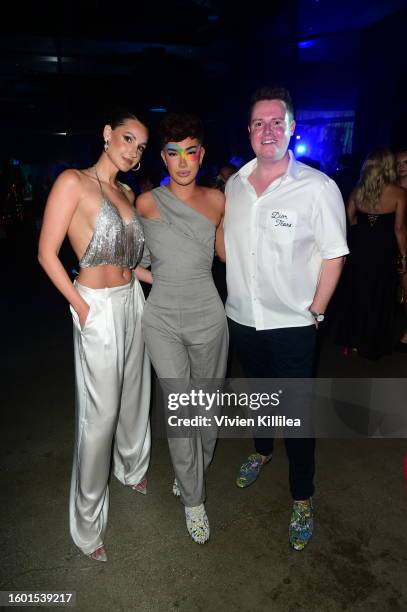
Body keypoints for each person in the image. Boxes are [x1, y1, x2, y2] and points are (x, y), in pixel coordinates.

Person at [223, 86, 348, 551]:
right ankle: (260, 451)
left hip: (294, 325)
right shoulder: (234, 186)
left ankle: (302, 496)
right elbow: (226, 247)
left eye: (277, 121)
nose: (268, 130)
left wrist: (316, 310)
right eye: (259, 123)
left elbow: (335, 256)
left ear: (292, 127)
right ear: (249, 131)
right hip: (243, 319)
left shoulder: (317, 187)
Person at [38, 110, 152, 562]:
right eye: (127, 138)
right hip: (97, 306)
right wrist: (82, 307)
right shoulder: (73, 182)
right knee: (99, 416)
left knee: (135, 393)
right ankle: (87, 524)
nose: (132, 150)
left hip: (131, 300)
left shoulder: (126, 191)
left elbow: (131, 261)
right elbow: (46, 253)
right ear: (107, 134)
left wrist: (160, 280)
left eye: (141, 146)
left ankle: (132, 466)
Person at [136, 113, 228, 544]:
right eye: (173, 153)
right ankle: (193, 499)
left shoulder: (218, 201)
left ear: (201, 154)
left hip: (209, 313)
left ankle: (194, 469)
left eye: (190, 151)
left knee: (207, 405)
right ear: (163, 158)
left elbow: (232, 255)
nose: (183, 161)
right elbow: (135, 258)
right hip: (163, 320)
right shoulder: (147, 202)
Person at [337, 149, 407, 359]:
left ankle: (352, 342)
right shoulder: (399, 193)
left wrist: (362, 229)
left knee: (357, 293)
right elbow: (399, 229)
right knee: (379, 296)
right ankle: (372, 344)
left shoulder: (358, 190)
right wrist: (404, 257)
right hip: (383, 251)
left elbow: (349, 218)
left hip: (360, 248)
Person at [395, 149, 407, 351]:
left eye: (406, 162)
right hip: (395, 245)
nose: (402, 166)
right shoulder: (393, 189)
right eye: (398, 163)